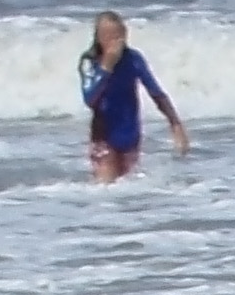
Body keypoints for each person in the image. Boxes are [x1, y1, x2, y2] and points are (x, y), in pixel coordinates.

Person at [78, 12, 188, 182]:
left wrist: (175, 124)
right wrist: (106, 68)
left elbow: (156, 93)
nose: (116, 42)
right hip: (103, 136)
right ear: (99, 38)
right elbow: (90, 99)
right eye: (110, 36)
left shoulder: (133, 59)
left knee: (127, 189)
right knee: (105, 189)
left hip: (130, 134)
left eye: (119, 36)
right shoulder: (90, 61)